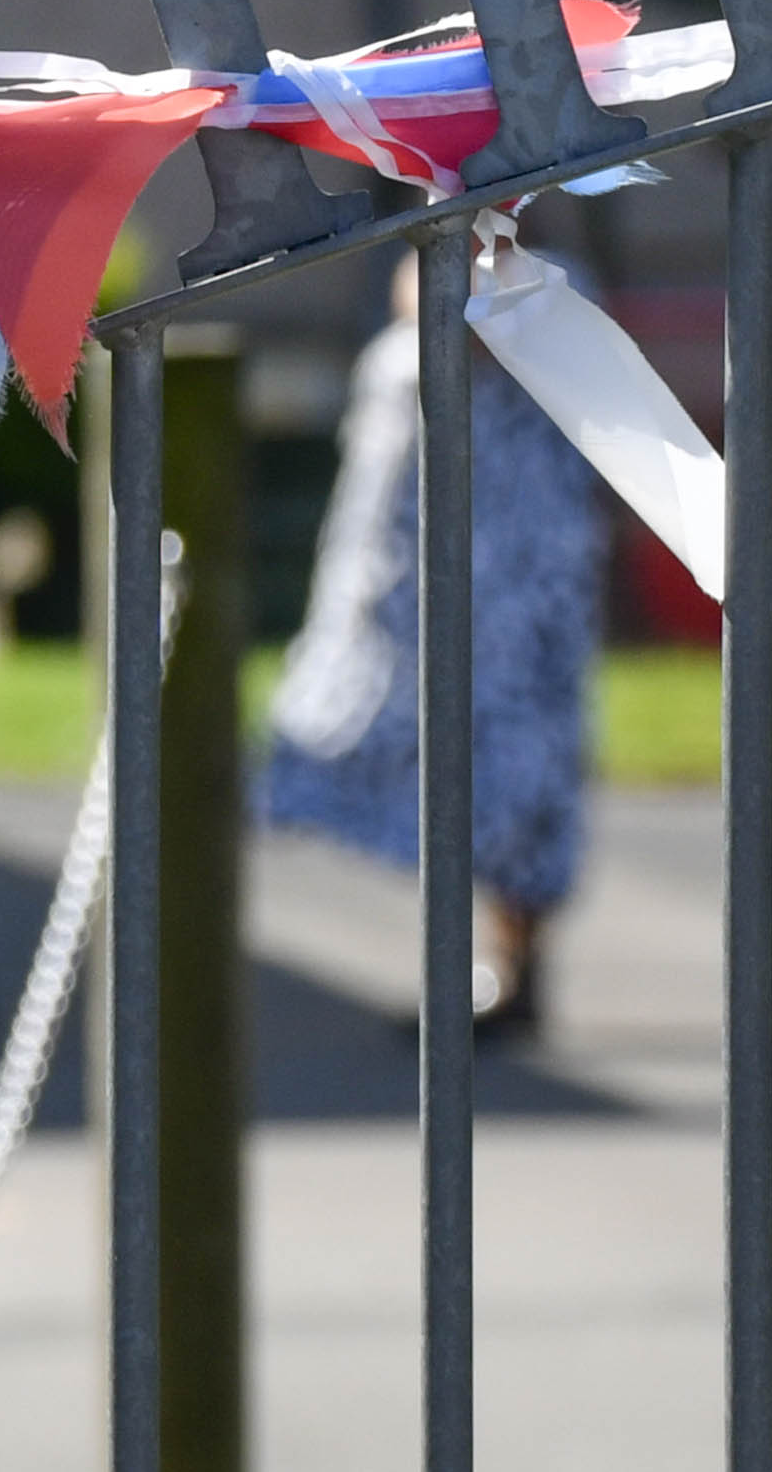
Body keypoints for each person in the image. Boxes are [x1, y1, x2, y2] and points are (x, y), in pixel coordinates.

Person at [252, 295, 599, 1040]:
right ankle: (478, 962)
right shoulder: (423, 281)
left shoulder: (541, 292)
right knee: (418, 763)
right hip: (409, 583)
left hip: (510, 585)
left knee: (516, 779)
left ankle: (514, 962)